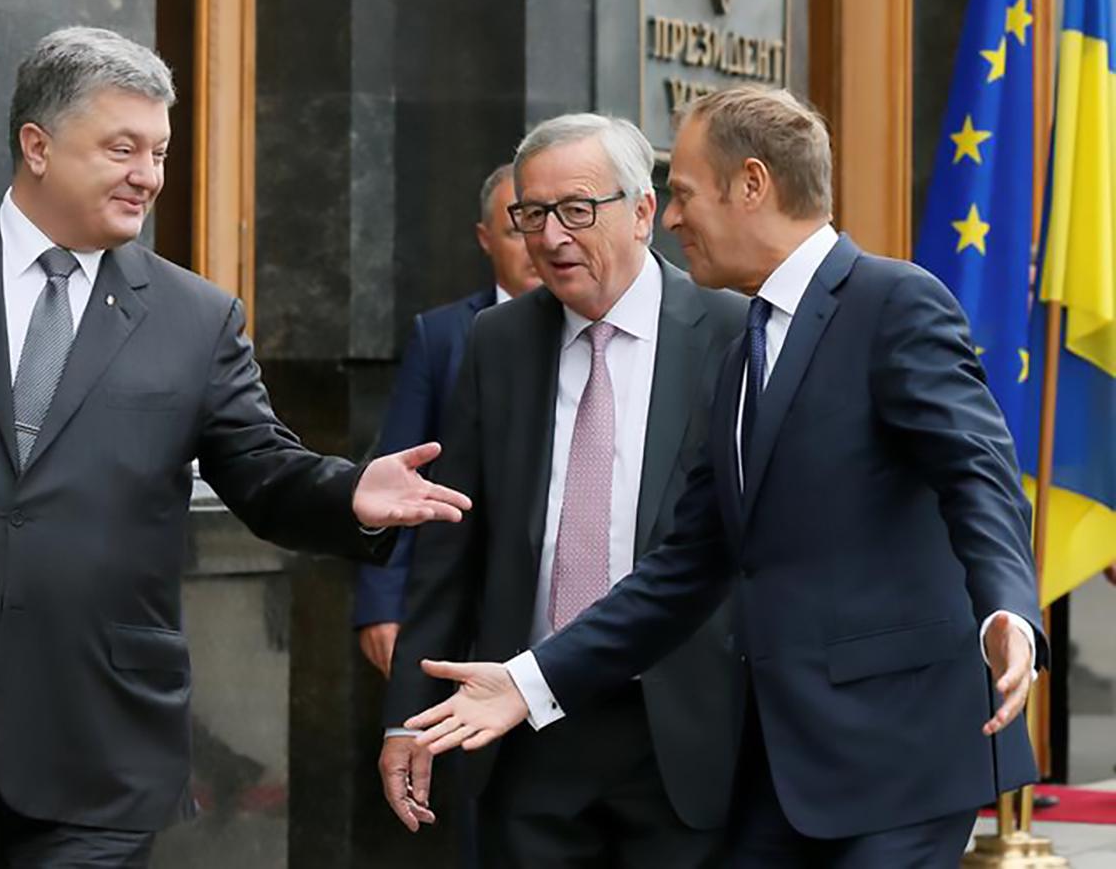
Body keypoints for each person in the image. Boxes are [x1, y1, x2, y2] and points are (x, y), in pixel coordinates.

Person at [0, 26, 469, 868]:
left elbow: (261, 467)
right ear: (37, 145)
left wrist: (348, 492)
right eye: (123, 147)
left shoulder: (197, 317)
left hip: (104, 721)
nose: (150, 176)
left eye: (161, 152)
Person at [405, 86, 1046, 868]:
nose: (671, 220)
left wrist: (1008, 608)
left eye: (681, 194)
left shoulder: (894, 301)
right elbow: (687, 564)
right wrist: (526, 682)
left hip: (900, 755)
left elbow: (978, 470)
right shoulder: (746, 346)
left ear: (751, 185)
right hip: (783, 767)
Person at [381, 114, 746, 868]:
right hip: (528, 730)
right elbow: (450, 546)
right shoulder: (499, 340)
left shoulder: (731, 332)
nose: (550, 237)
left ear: (644, 212)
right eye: (532, 214)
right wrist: (405, 721)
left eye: (577, 210)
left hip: (685, 726)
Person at [354, 161, 540, 678]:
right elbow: (400, 470)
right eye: (515, 229)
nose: (535, 242)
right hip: (462, 602)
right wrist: (380, 602)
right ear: (485, 239)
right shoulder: (442, 336)